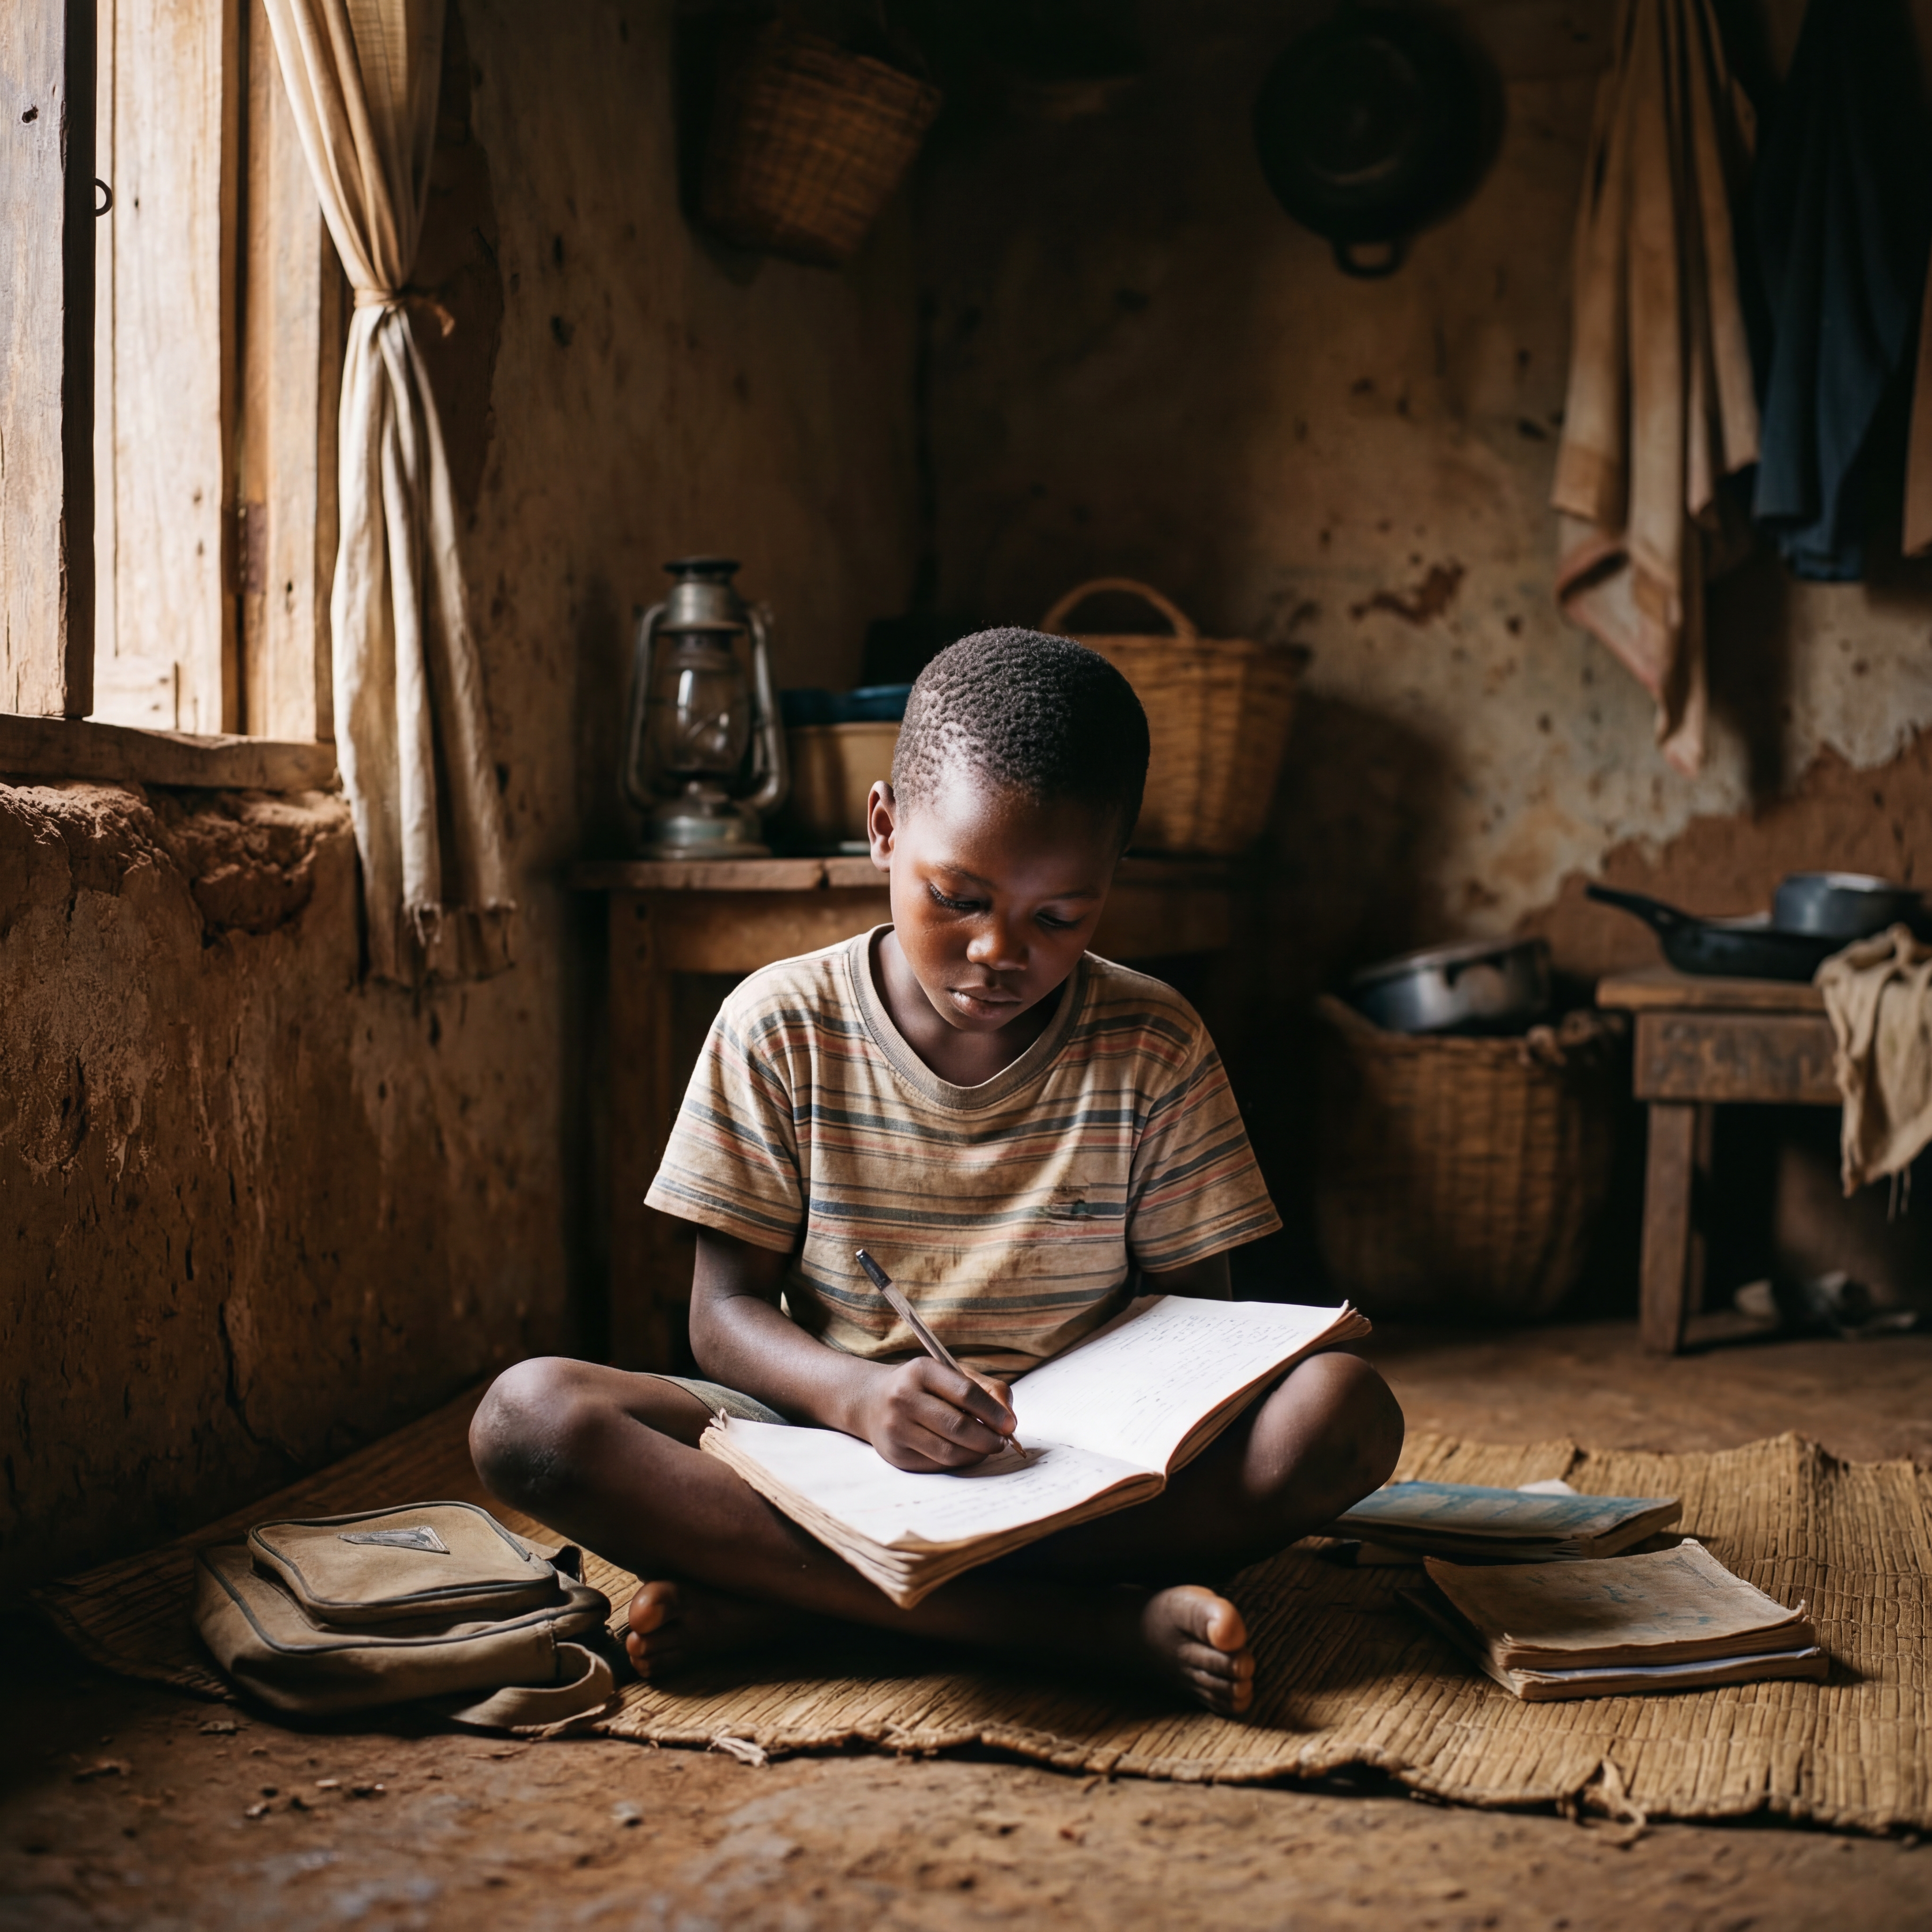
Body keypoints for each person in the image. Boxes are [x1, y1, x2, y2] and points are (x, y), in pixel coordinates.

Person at [472, 629, 1402, 1716]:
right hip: (826, 1446)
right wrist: (861, 1396)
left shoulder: (1153, 1040)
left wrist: (1082, 1440)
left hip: (1077, 1478)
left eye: (1060, 916)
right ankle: (1077, 1628)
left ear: (1112, 880)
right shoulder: (779, 1023)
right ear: (882, 828)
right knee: (527, 1418)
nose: (999, 950)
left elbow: (1203, 1324)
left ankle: (806, 1605)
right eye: (957, 896)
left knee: (1342, 1409)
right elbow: (720, 1315)